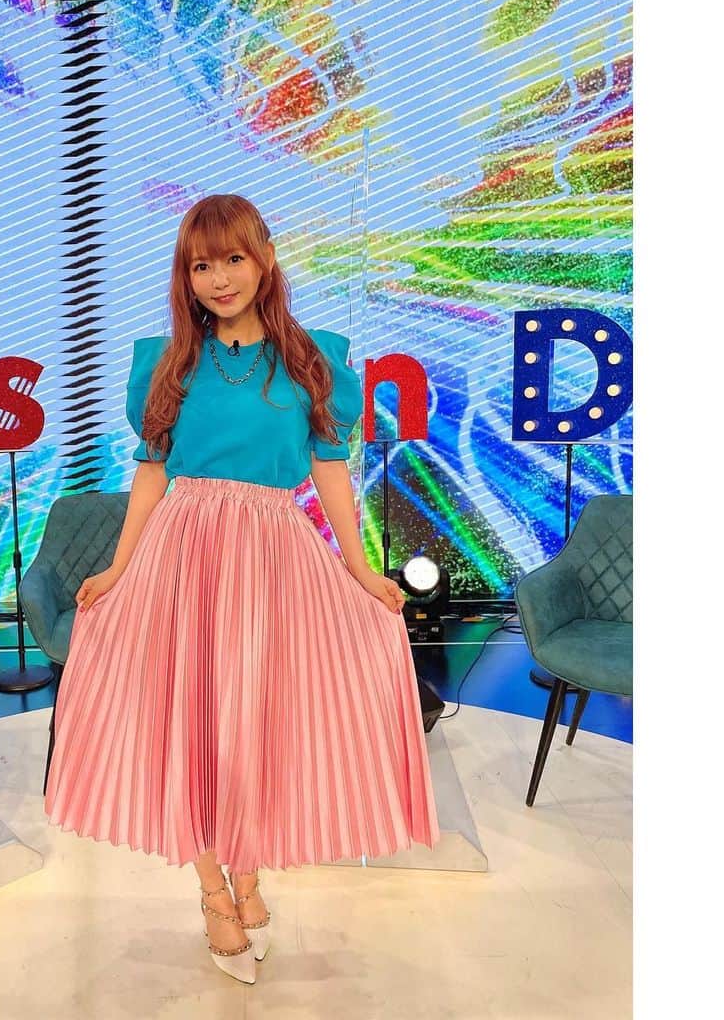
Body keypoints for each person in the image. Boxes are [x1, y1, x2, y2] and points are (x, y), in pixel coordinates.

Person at [43, 193, 439, 984]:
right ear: (184, 275)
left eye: (233, 258)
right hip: (183, 553)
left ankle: (249, 874)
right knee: (186, 721)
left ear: (265, 260)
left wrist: (360, 570)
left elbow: (329, 471)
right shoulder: (168, 364)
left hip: (271, 554)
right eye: (202, 264)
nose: (219, 278)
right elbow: (151, 473)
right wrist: (119, 568)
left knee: (253, 723)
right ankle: (213, 892)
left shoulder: (313, 361)